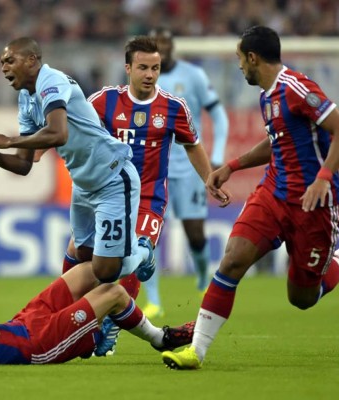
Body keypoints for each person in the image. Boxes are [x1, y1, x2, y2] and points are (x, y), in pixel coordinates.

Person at [161, 25, 339, 370]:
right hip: (274, 194)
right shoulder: (267, 96)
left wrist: (323, 178)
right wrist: (232, 166)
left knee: (302, 298)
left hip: (314, 206)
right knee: (233, 260)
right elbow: (277, 142)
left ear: (252, 58)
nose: (239, 67)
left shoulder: (296, 88)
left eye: (240, 60)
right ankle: (196, 352)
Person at [61, 36, 230, 355]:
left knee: (127, 262)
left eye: (155, 67)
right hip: (108, 195)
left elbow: (192, 144)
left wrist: (209, 179)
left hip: (148, 199)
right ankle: (67, 311)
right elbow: (74, 128)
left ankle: (110, 325)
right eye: (143, 67)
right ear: (128, 68)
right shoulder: (103, 101)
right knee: (78, 251)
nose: (150, 74)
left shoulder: (173, 107)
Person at [0, 37, 154, 287]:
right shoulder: (26, 99)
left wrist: (9, 140)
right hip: (83, 184)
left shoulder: (51, 80)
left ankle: (143, 253)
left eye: (10, 60)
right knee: (84, 255)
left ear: (32, 60)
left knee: (106, 270)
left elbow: (58, 133)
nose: (3, 68)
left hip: (113, 178)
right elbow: (24, 165)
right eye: (1, 63)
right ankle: (89, 318)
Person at [0, 264, 195, 365]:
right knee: (112, 293)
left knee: (87, 271)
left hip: (20, 325)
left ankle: (96, 328)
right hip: (35, 343)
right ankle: (159, 338)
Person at [143, 27, 230, 319]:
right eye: (157, 44)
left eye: (166, 44)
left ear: (172, 47)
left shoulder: (193, 76)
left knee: (195, 235)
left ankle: (204, 279)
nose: (162, 49)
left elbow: (219, 116)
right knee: (148, 237)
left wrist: (216, 156)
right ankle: (153, 300)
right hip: (156, 170)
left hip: (191, 169)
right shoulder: (143, 78)